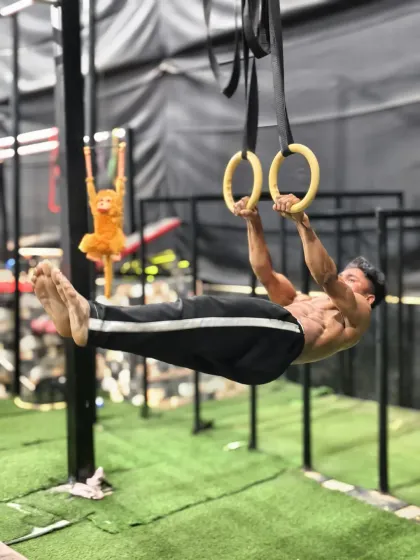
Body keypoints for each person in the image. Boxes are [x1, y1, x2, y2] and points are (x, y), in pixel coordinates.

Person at [31, 194, 386, 387]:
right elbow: (264, 272)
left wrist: (302, 223)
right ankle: (87, 329)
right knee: (179, 341)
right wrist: (253, 222)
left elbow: (327, 277)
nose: (345, 280)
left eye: (353, 279)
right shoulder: (303, 301)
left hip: (279, 342)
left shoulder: (357, 317)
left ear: (369, 297)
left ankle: (93, 319)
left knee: (200, 310)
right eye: (347, 275)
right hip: (256, 357)